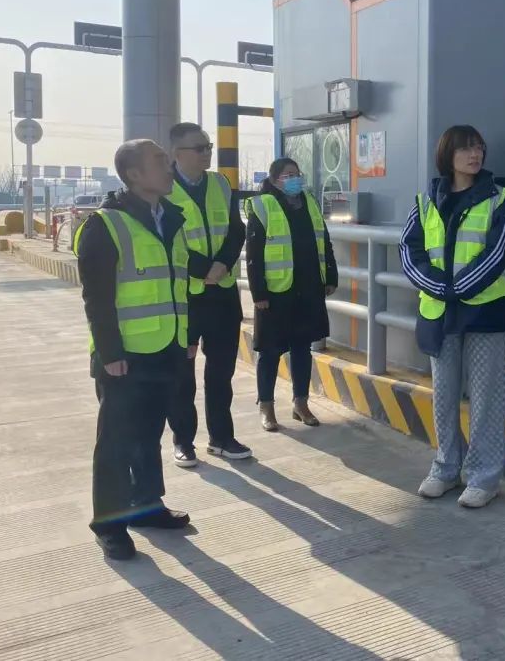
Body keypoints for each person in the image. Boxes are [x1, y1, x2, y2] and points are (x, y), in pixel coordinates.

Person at [74, 139, 193, 561]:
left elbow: (178, 286)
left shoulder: (170, 219)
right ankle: (109, 525)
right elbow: (97, 298)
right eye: (160, 161)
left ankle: (147, 506)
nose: (169, 166)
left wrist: (187, 338)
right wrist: (110, 354)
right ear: (134, 175)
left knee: (148, 436)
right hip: (124, 356)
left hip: (167, 347)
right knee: (116, 443)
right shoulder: (104, 225)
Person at [400, 125, 505, 509]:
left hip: (483, 312)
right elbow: (409, 250)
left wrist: (456, 289)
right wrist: (437, 286)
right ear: (447, 155)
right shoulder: (425, 201)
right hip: (439, 312)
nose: (474, 154)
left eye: (478, 147)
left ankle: (483, 477)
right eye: (465, 148)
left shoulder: (499, 198)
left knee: (486, 398)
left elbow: (498, 253)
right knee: (444, 395)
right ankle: (445, 468)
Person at [165, 123, 250, 467]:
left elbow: (236, 229)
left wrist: (222, 264)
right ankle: (183, 441)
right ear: (176, 153)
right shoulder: (164, 188)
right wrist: (204, 270)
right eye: (198, 148)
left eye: (208, 146)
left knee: (221, 372)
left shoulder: (220, 184)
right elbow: (167, 240)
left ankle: (221, 438)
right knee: (181, 376)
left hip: (223, 293)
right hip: (185, 297)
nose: (206, 153)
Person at [245, 158, 338, 432]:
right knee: (270, 351)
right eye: (288, 175)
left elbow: (324, 241)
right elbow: (253, 254)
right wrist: (258, 292)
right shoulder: (262, 205)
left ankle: (301, 403)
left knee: (302, 348)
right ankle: (266, 407)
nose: (295, 179)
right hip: (275, 292)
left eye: (297, 174)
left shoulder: (309, 202)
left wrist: (330, 276)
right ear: (275, 179)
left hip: (308, 287)